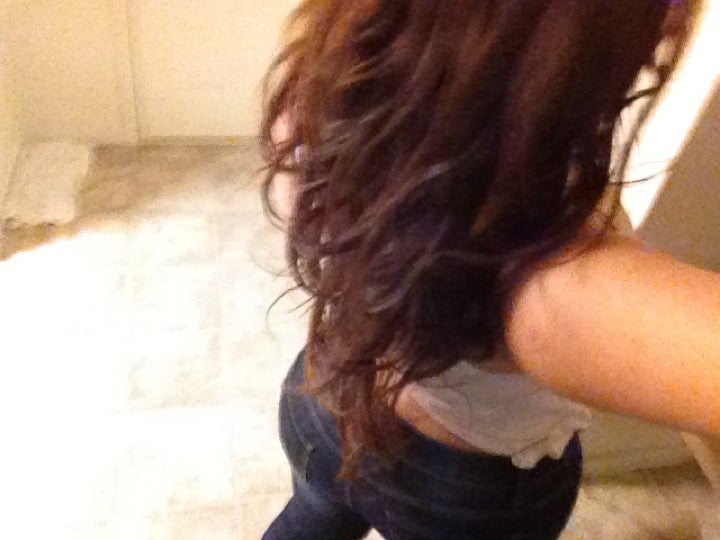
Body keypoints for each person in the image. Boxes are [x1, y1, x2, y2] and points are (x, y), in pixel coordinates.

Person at [258, 1, 718, 538]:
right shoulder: (554, 278)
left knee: (308, 520)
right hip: (462, 493)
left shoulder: (320, 93)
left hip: (323, 397)